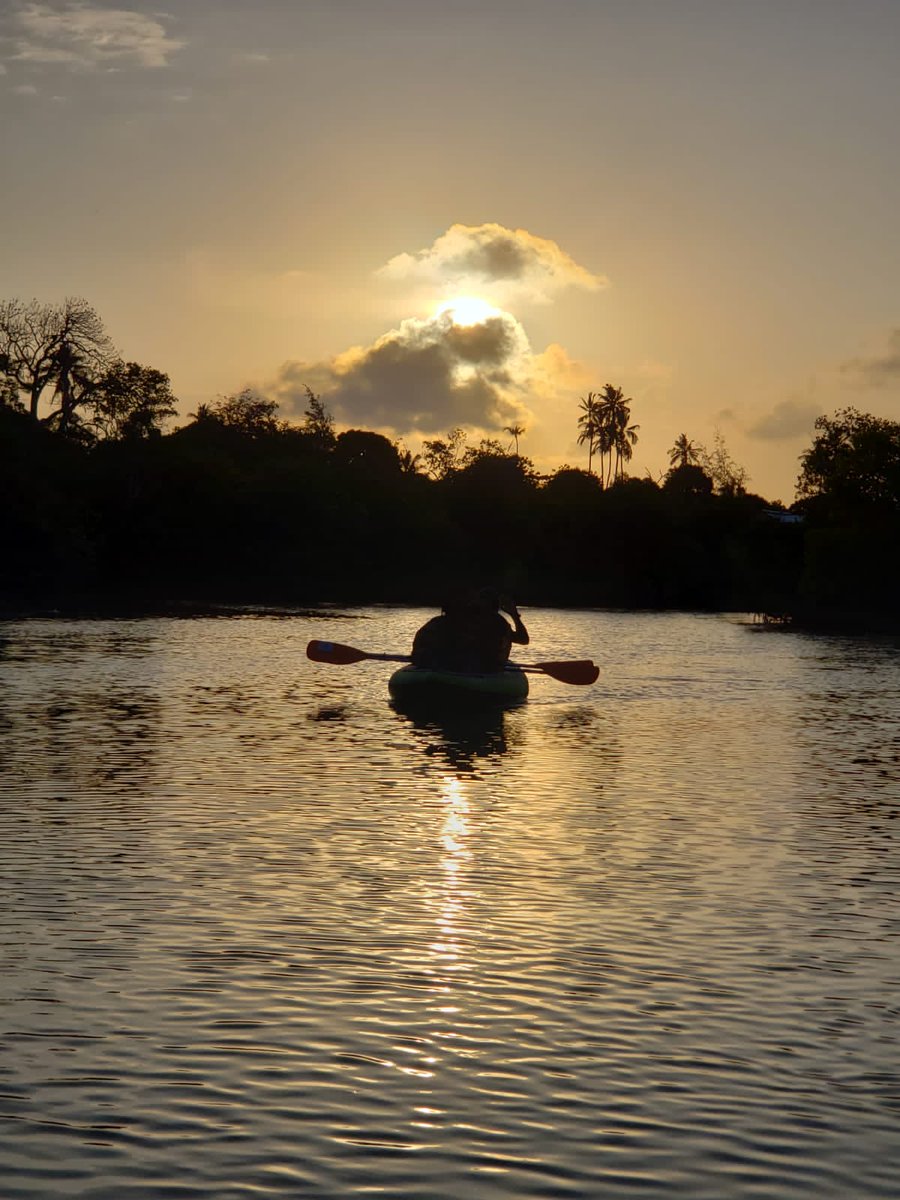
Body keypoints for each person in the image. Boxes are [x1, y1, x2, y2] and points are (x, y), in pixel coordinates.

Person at [412, 587, 529, 673]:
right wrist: (513, 615)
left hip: (479, 665)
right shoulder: (472, 620)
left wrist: (514, 615)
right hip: (472, 665)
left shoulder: (497, 623)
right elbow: (523, 639)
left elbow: (523, 639)